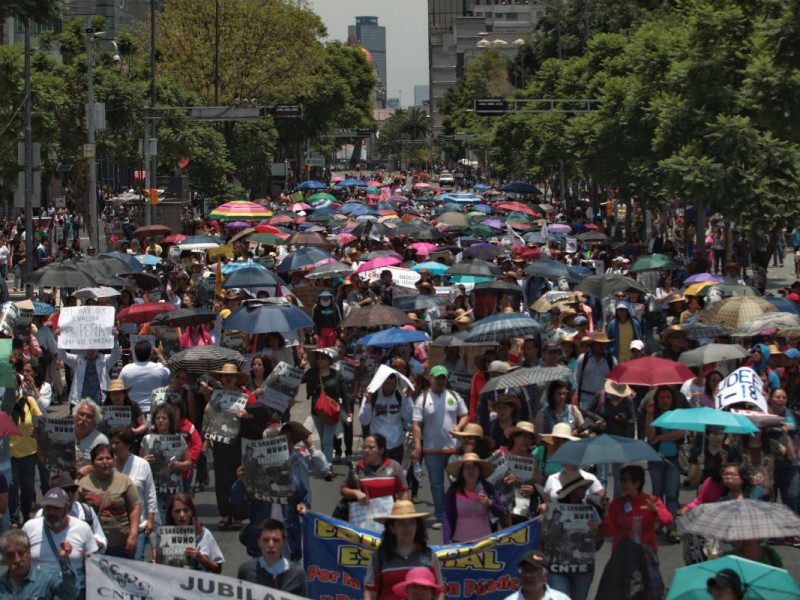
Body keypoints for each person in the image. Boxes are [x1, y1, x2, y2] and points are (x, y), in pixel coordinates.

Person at [411, 365, 469, 528]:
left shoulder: (454, 395)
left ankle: (458, 513)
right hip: (431, 449)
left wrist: (459, 427)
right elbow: (416, 424)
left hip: (452, 447)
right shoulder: (422, 398)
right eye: (438, 377)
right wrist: (417, 447)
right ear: (430, 378)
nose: (441, 380)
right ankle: (440, 515)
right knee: (436, 484)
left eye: (443, 377)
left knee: (456, 482)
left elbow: (465, 415)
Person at [22, 487, 98, 595]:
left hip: (73, 593)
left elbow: (93, 565)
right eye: (48, 508)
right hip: (39, 592)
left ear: (66, 508)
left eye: (56, 508)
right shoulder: (30, 527)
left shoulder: (83, 528)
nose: (51, 512)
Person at [364, 500, 443, 600]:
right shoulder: (380, 556)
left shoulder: (429, 554)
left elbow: (438, 593)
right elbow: (370, 593)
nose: (407, 528)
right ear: (392, 528)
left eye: (412, 523)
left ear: (417, 526)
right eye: (402, 523)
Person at [76, 444, 141, 558]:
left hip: (122, 544)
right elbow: (75, 511)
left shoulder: (125, 481)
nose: (104, 462)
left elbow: (135, 508)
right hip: (94, 546)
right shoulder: (83, 484)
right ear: (93, 462)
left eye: (108, 458)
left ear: (113, 461)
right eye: (100, 459)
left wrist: (133, 535)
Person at [644, 385, 685, 543]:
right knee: (657, 494)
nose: (665, 400)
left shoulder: (677, 415)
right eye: (662, 397)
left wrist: (661, 438)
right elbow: (650, 436)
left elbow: (680, 433)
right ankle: (657, 524)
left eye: (668, 397)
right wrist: (649, 415)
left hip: (673, 459)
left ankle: (672, 527)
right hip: (656, 459)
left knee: (672, 494)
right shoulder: (653, 415)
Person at [600, 464, 673, 552]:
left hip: (645, 554)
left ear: (637, 483)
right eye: (620, 480)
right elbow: (608, 532)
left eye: (625, 481)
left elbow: (668, 521)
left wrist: (657, 510)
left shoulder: (652, 501)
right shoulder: (616, 503)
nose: (621, 484)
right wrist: (606, 511)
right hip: (622, 554)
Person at [110, 427, 157, 561]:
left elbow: (150, 493)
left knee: (136, 563)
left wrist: (151, 518)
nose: (113, 447)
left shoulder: (142, 465)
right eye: (112, 443)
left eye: (117, 443)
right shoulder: (108, 465)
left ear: (128, 445)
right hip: (115, 526)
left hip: (139, 525)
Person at [303, 347, 351, 469]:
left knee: (327, 439)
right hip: (316, 411)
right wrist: (301, 366)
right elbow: (298, 379)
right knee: (323, 438)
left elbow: (345, 394)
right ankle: (325, 463)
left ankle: (328, 466)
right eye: (318, 358)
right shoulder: (311, 373)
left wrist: (349, 411)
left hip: (332, 412)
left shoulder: (337, 376)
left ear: (330, 361)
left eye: (323, 358)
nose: (319, 360)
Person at [443, 453, 505, 544]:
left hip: (485, 541)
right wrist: (446, 541)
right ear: (462, 471)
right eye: (467, 467)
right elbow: (447, 516)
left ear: (479, 470)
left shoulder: (488, 488)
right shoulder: (453, 490)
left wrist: (490, 503)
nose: (471, 471)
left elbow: (501, 511)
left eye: (474, 467)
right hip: (460, 541)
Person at [0, 529, 79, 600]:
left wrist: (64, 561)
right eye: (10, 555)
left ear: (29, 553)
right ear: (4, 557)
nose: (17, 560)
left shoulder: (46, 579)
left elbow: (70, 594)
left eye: (21, 553)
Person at [236, 519, 307, 596]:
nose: (270, 545)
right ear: (259, 542)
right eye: (266, 540)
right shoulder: (246, 571)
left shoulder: (297, 574)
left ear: (284, 542)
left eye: (276, 540)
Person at [358, 368, 415, 463]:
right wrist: (368, 402)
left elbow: (409, 417)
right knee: (378, 475)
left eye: (392, 384)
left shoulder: (400, 396)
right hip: (377, 446)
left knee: (394, 475)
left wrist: (408, 398)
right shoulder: (371, 396)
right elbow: (364, 420)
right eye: (386, 383)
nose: (389, 387)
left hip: (396, 445)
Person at [340, 433, 409, 507]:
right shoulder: (356, 467)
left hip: (389, 515)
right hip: (364, 514)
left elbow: (403, 492)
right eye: (364, 447)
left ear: (381, 450)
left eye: (371, 447)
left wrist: (403, 512)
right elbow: (343, 489)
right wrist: (355, 493)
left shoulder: (394, 466)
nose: (366, 450)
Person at [164, 493, 224, 572]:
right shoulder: (164, 537)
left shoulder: (204, 534)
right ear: (171, 514)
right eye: (177, 511)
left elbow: (218, 569)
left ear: (192, 512)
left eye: (186, 510)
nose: (182, 515)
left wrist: (201, 558)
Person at [9, 377, 41, 526]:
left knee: (28, 485)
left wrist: (37, 430)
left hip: (28, 451)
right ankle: (14, 518)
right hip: (9, 454)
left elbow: (41, 422)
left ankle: (26, 513)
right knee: (12, 485)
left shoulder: (29, 401)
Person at [57, 338, 122, 410]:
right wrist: (60, 338)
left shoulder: (104, 360)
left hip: (100, 402)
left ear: (98, 348)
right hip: (80, 402)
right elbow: (63, 355)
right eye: (89, 347)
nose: (91, 350)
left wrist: (115, 339)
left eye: (94, 347)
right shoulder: (77, 359)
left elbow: (116, 354)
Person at [119, 339, 170, 419]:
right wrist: (160, 355)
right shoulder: (158, 367)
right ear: (151, 354)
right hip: (152, 409)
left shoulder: (126, 369)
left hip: (131, 411)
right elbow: (168, 372)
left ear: (135, 353)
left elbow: (119, 387)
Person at [501, 549, 570, 600]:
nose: (528, 575)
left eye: (533, 570)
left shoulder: (561, 598)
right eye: (525, 570)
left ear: (545, 575)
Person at [74, 398, 110, 478]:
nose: (83, 419)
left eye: (89, 416)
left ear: (95, 422)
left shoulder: (101, 440)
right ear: (75, 416)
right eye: (81, 414)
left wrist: (91, 468)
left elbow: (107, 464)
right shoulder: (65, 434)